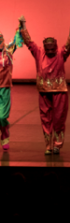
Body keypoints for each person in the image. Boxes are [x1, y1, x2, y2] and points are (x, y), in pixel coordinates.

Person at [20, 17, 70, 155]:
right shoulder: (39, 53)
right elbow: (29, 42)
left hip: (59, 91)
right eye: (48, 49)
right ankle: (48, 145)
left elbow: (69, 44)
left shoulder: (61, 54)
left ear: (56, 47)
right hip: (44, 91)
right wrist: (23, 25)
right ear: (45, 48)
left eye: (53, 49)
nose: (50, 51)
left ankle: (57, 144)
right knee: (45, 118)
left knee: (58, 118)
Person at [0, 17, 24, 151]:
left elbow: (16, 40)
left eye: (1, 41)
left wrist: (20, 27)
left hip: (4, 88)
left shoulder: (8, 52)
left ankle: (4, 133)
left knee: (2, 117)